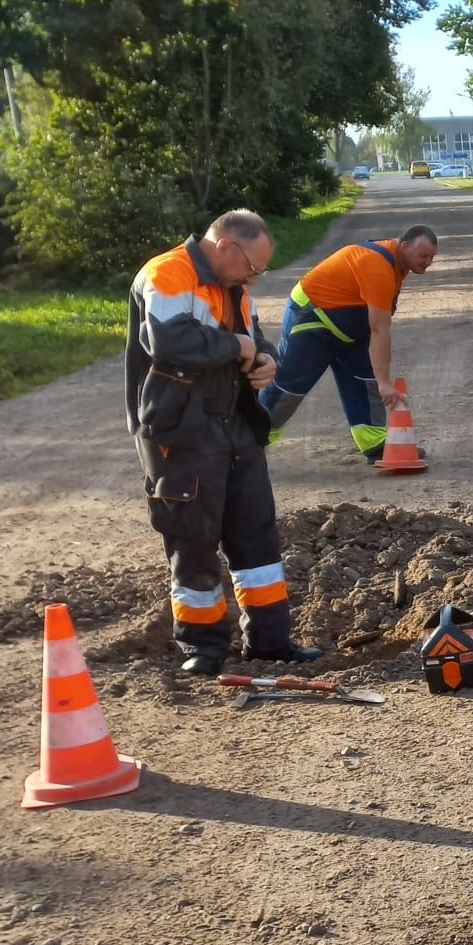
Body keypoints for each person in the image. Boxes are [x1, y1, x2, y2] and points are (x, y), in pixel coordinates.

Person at [125, 211, 320, 677]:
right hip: (180, 431)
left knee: (257, 536)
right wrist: (239, 348)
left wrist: (266, 359)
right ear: (225, 246)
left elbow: (254, 339)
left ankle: (270, 641)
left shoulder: (235, 285)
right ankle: (205, 647)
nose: (255, 276)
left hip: (235, 426)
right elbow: (169, 341)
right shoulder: (167, 273)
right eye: (253, 266)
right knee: (192, 540)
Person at [258, 225, 438, 461]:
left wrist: (379, 378)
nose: (428, 262)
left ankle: (375, 443)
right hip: (312, 317)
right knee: (288, 388)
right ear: (405, 247)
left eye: (432, 257)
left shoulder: (396, 263)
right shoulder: (379, 267)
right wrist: (386, 382)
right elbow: (379, 328)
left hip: (347, 329)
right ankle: (248, 442)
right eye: (424, 255)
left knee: (364, 379)